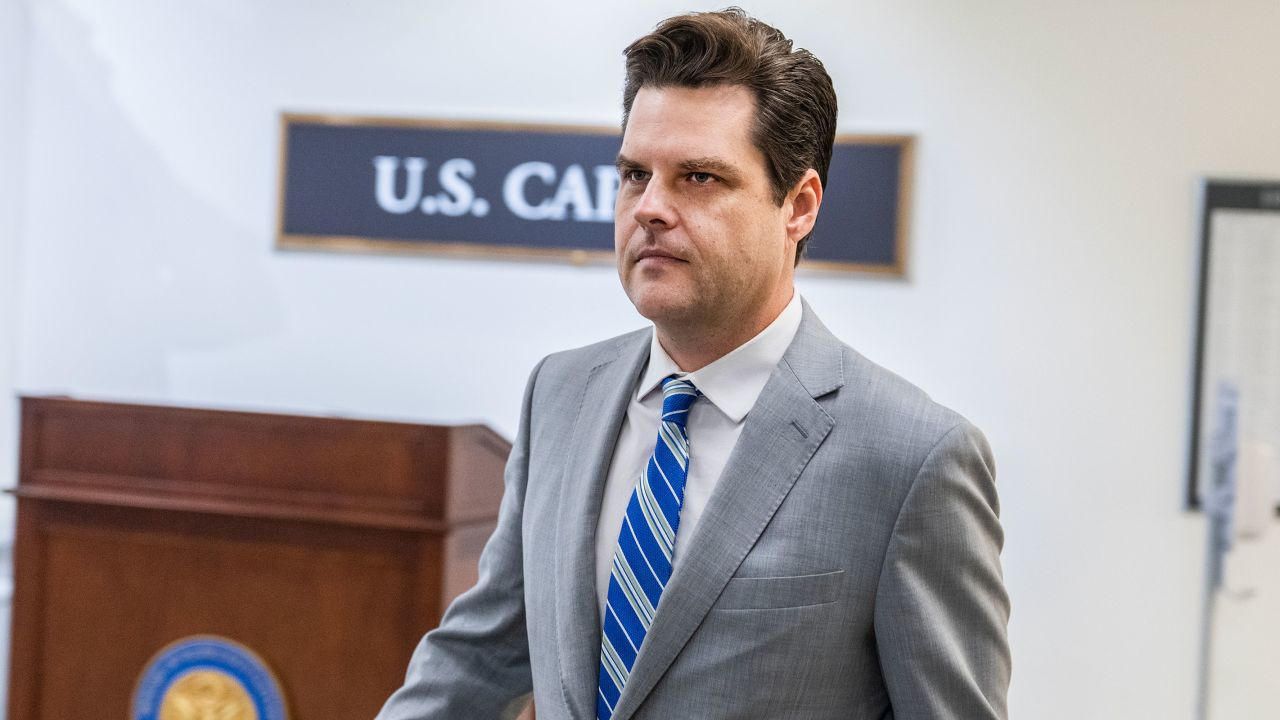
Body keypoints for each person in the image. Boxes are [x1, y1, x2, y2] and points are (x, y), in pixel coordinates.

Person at [378, 8, 1010, 720]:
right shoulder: (559, 394)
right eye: (634, 174)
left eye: (699, 178)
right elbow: (478, 659)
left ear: (798, 205)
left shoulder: (912, 458)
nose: (650, 208)